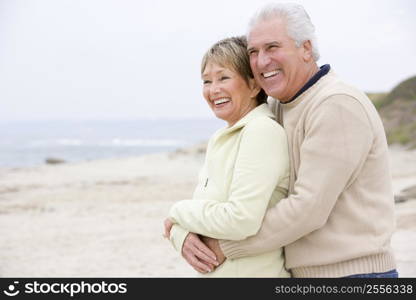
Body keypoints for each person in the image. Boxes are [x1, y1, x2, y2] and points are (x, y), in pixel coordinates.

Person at [174, 3, 398, 278]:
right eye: (254, 52)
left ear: (306, 48)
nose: (261, 61)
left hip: (351, 275)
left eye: (272, 47)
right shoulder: (280, 107)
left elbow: (307, 209)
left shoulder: (337, 104)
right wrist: (181, 230)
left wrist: (225, 247)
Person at [163, 36, 291, 277]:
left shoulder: (261, 131)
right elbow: (205, 214)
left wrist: (176, 212)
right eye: (206, 81)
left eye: (223, 78)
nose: (213, 90)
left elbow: (241, 219)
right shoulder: (222, 138)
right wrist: (179, 233)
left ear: (254, 86)